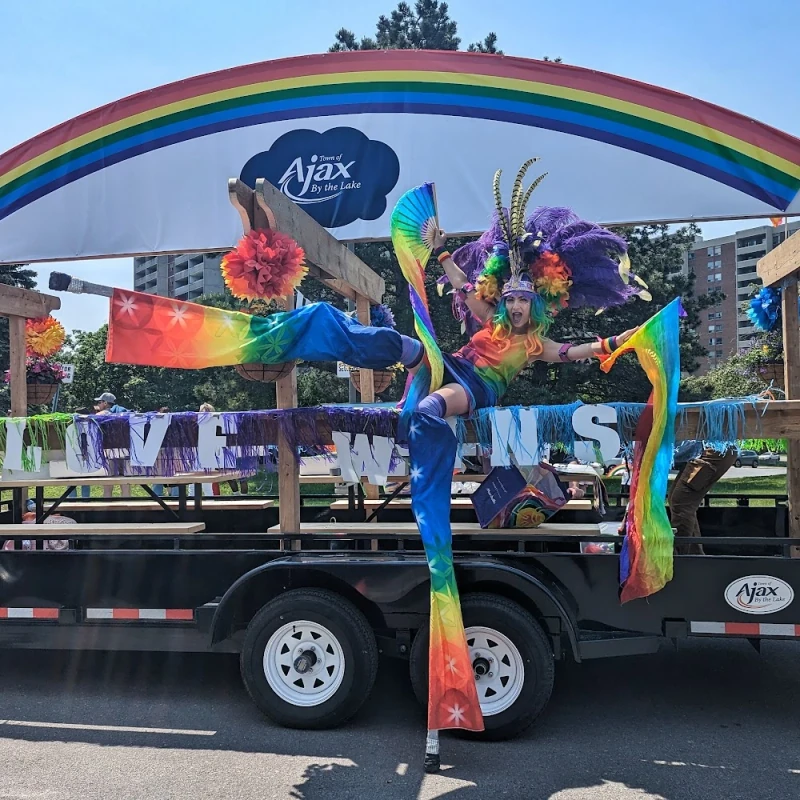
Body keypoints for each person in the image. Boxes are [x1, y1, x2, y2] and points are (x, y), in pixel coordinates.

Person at [669, 442, 737, 555]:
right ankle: (695, 556)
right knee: (678, 500)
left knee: (681, 502)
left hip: (714, 450)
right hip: (711, 449)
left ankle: (682, 558)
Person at [93, 392, 131, 498]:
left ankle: (107, 508)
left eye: (99, 402)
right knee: (125, 481)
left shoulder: (102, 414)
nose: (98, 404)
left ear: (105, 403)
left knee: (108, 482)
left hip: (109, 451)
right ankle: (128, 507)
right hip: (125, 450)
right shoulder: (122, 413)